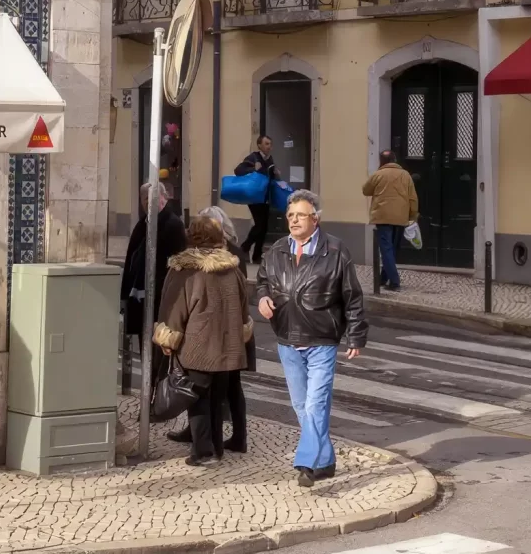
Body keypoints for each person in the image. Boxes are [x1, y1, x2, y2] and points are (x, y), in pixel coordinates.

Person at [256, 189, 367, 487]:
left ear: (315, 219)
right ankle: (326, 461)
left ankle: (307, 462)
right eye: (290, 215)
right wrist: (263, 299)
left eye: (300, 215)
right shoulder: (277, 249)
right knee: (300, 404)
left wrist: (355, 336)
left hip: (321, 339)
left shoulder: (335, 250)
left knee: (315, 404)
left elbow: (352, 296)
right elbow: (262, 281)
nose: (293, 220)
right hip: (287, 338)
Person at [153, 216, 253, 466]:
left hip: (197, 346)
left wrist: (167, 339)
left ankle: (204, 451)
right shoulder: (232, 269)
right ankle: (217, 448)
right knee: (218, 398)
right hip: (227, 347)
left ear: (192, 236)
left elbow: (173, 309)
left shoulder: (184, 269)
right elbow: (243, 309)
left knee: (197, 398)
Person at [120, 183, 188, 352]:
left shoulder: (173, 224)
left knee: (159, 347)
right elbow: (130, 260)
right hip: (141, 296)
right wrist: (124, 294)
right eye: (145, 199)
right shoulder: (143, 224)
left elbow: (178, 262)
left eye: (153, 198)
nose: (148, 202)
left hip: (161, 297)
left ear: (164, 198)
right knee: (146, 344)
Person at [362, 149, 418, 291]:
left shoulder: (378, 175)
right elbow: (412, 197)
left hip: (382, 217)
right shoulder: (405, 175)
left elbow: (365, 190)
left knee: (386, 249)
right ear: (395, 160)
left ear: (381, 161)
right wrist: (413, 215)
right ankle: (383, 278)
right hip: (400, 217)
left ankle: (394, 282)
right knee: (392, 249)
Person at [235, 135, 280, 264]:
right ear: (259, 145)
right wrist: (252, 168)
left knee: (264, 227)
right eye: (266, 144)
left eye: (270, 144)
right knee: (259, 225)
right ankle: (244, 247)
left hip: (265, 197)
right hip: (254, 197)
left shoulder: (269, 159)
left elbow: (268, 175)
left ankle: (256, 255)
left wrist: (276, 173)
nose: (269, 147)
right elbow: (238, 170)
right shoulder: (253, 157)